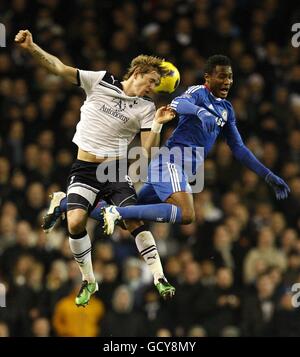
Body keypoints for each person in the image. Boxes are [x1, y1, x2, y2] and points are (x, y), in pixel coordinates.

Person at [15, 29, 176, 306]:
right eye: (151, 81)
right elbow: (59, 68)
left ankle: (159, 277)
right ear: (137, 72)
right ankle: (89, 280)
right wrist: (32, 48)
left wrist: (158, 124)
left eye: (157, 85)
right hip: (85, 168)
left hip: (114, 172)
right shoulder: (100, 80)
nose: (153, 88)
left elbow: (147, 150)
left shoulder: (146, 108)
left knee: (132, 219)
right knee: (76, 223)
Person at [89, 55, 290, 230]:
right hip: (170, 164)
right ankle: (117, 211)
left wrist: (267, 175)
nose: (227, 81)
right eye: (221, 76)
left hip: (179, 171)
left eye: (230, 76)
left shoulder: (227, 110)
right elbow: (178, 103)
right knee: (186, 213)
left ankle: (68, 204)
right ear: (208, 78)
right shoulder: (198, 93)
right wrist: (200, 111)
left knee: (127, 218)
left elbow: (239, 149)